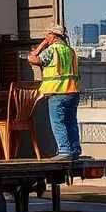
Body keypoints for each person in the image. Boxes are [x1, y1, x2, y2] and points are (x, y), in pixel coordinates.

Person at [27, 24, 81, 161]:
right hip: (73, 92)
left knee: (58, 122)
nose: (46, 37)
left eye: (48, 35)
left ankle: (64, 151)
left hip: (57, 93)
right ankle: (75, 150)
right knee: (71, 122)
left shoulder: (52, 50)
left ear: (54, 36)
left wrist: (42, 45)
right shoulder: (70, 51)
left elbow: (32, 59)